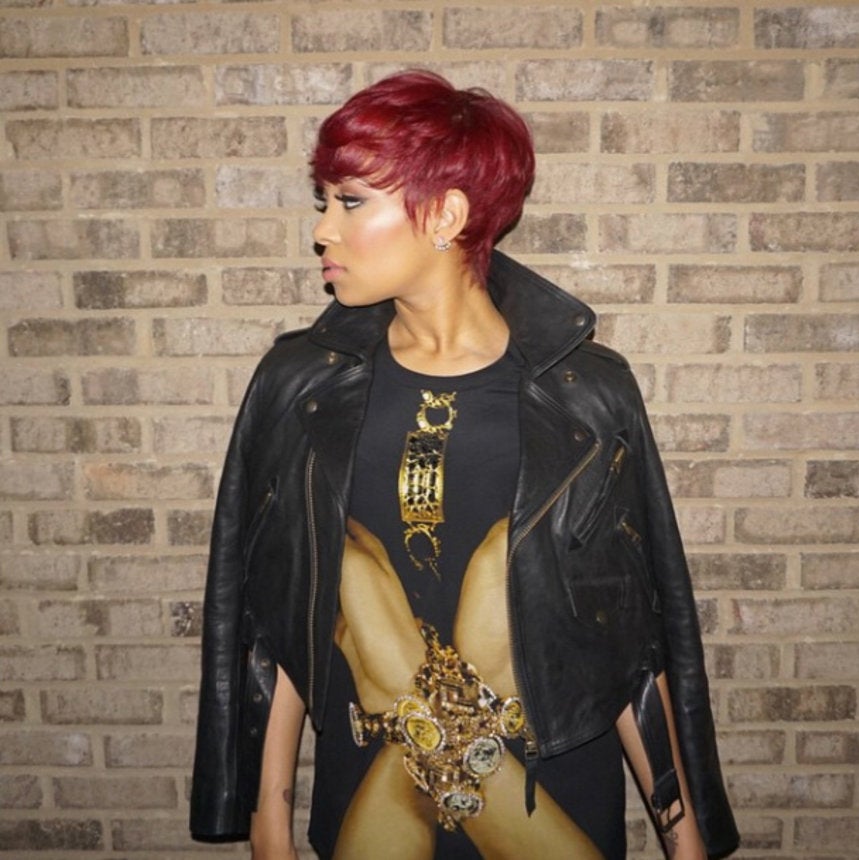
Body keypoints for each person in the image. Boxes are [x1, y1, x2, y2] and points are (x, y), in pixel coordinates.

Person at [190, 70, 739, 860]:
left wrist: (682, 834)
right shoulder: (302, 387)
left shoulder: (586, 396)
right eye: (325, 202)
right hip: (365, 808)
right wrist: (267, 825)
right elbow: (274, 618)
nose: (323, 231)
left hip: (559, 797)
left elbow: (628, 635)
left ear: (446, 215)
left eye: (351, 202)